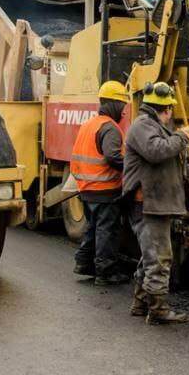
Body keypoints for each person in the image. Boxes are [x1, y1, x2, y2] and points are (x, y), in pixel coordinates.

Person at [122, 81, 189, 325]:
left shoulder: (158, 127)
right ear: (167, 108)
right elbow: (156, 151)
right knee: (159, 258)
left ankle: (141, 303)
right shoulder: (142, 127)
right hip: (148, 204)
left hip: (159, 202)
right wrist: (181, 135)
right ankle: (157, 311)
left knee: (151, 256)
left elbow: (176, 160)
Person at [71, 80, 130, 285]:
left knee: (93, 227)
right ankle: (105, 273)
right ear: (112, 103)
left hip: (86, 188)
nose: (124, 110)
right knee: (107, 230)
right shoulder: (109, 128)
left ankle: (83, 263)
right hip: (104, 189)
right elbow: (113, 157)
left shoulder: (89, 124)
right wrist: (132, 168)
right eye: (122, 104)